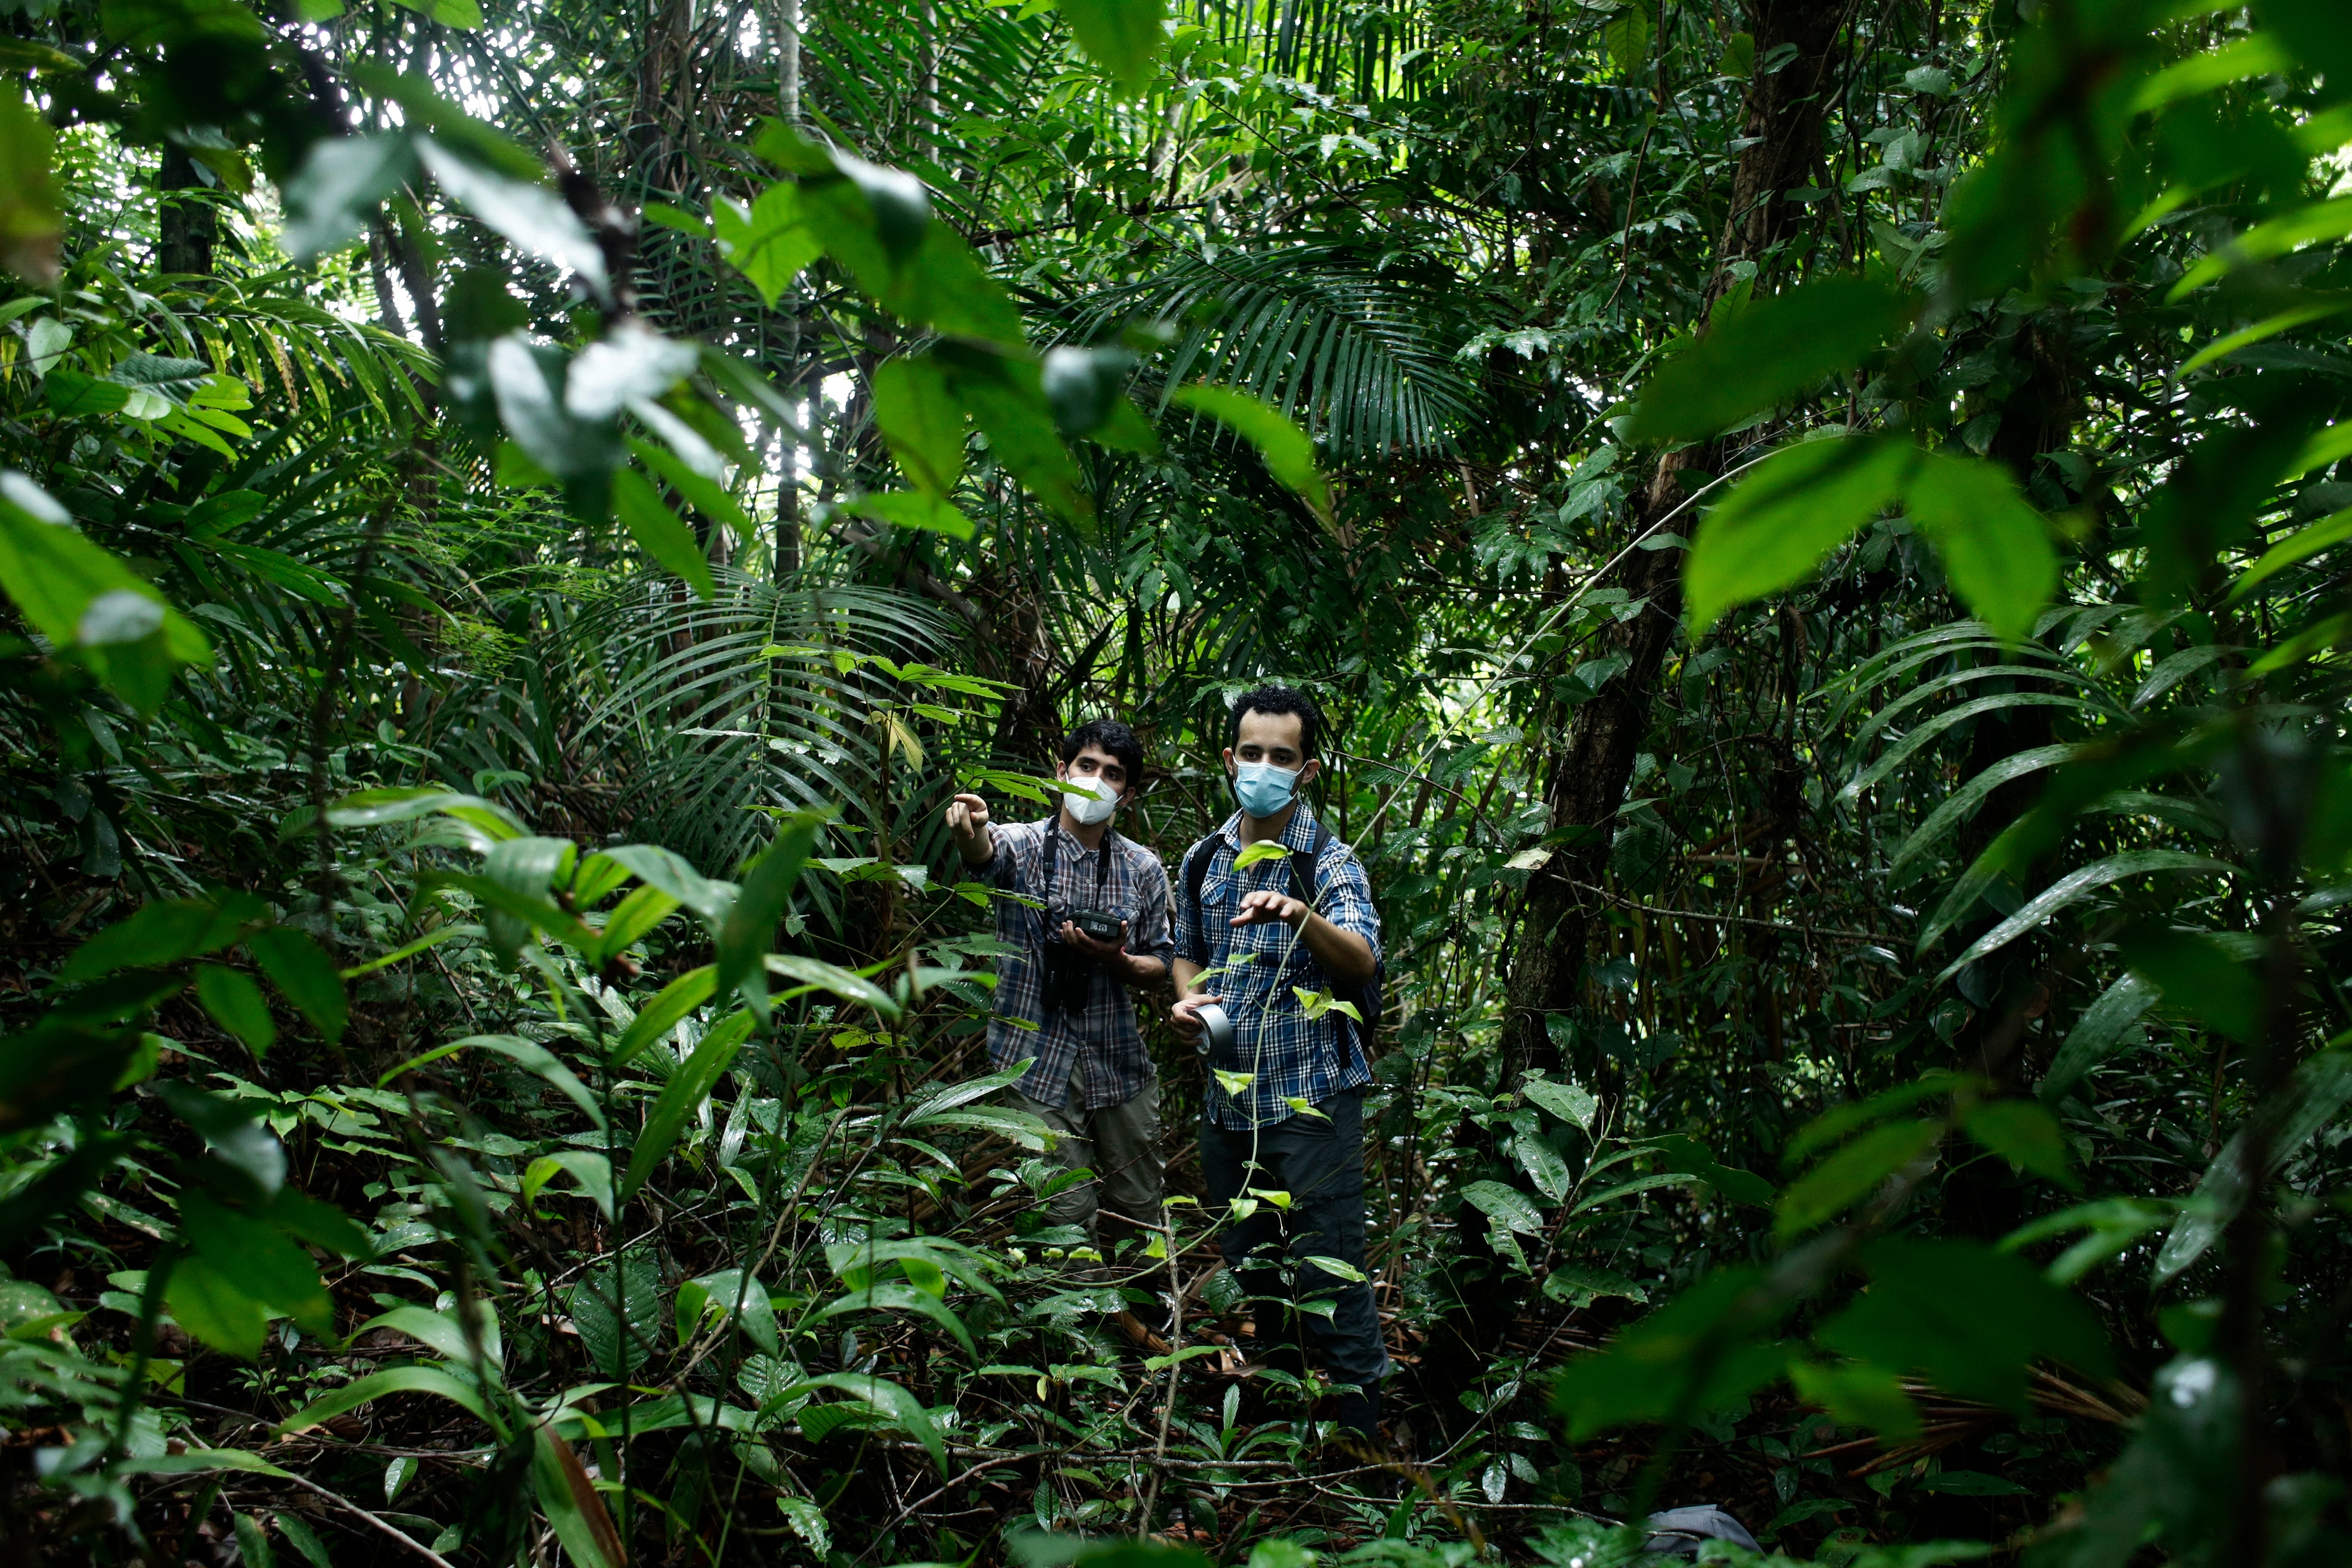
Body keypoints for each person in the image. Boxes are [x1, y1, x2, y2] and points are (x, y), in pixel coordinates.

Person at [1169, 685, 1387, 1440]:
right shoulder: (1203, 857)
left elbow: (1361, 958)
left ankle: (1363, 1439)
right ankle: (1279, 1424)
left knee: (1333, 1267)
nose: (1263, 767)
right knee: (1254, 1268)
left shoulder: (1326, 861)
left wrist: (1300, 913)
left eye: (1281, 757)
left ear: (1306, 769)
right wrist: (1189, 1002)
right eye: (1251, 754)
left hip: (1314, 1103)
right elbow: (1187, 952)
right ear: (1229, 760)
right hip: (1229, 1103)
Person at [945, 718, 1174, 1296]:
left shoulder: (1143, 868)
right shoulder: (1023, 845)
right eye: (1087, 767)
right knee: (1063, 1213)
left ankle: (1149, 1318)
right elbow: (983, 853)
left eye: (1113, 774)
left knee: (1141, 1203)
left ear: (1128, 791)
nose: (1097, 782)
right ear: (1062, 772)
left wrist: (1116, 958)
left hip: (1117, 1059)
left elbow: (1163, 967)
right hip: (1035, 1057)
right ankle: (1088, 1338)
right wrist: (969, 826)